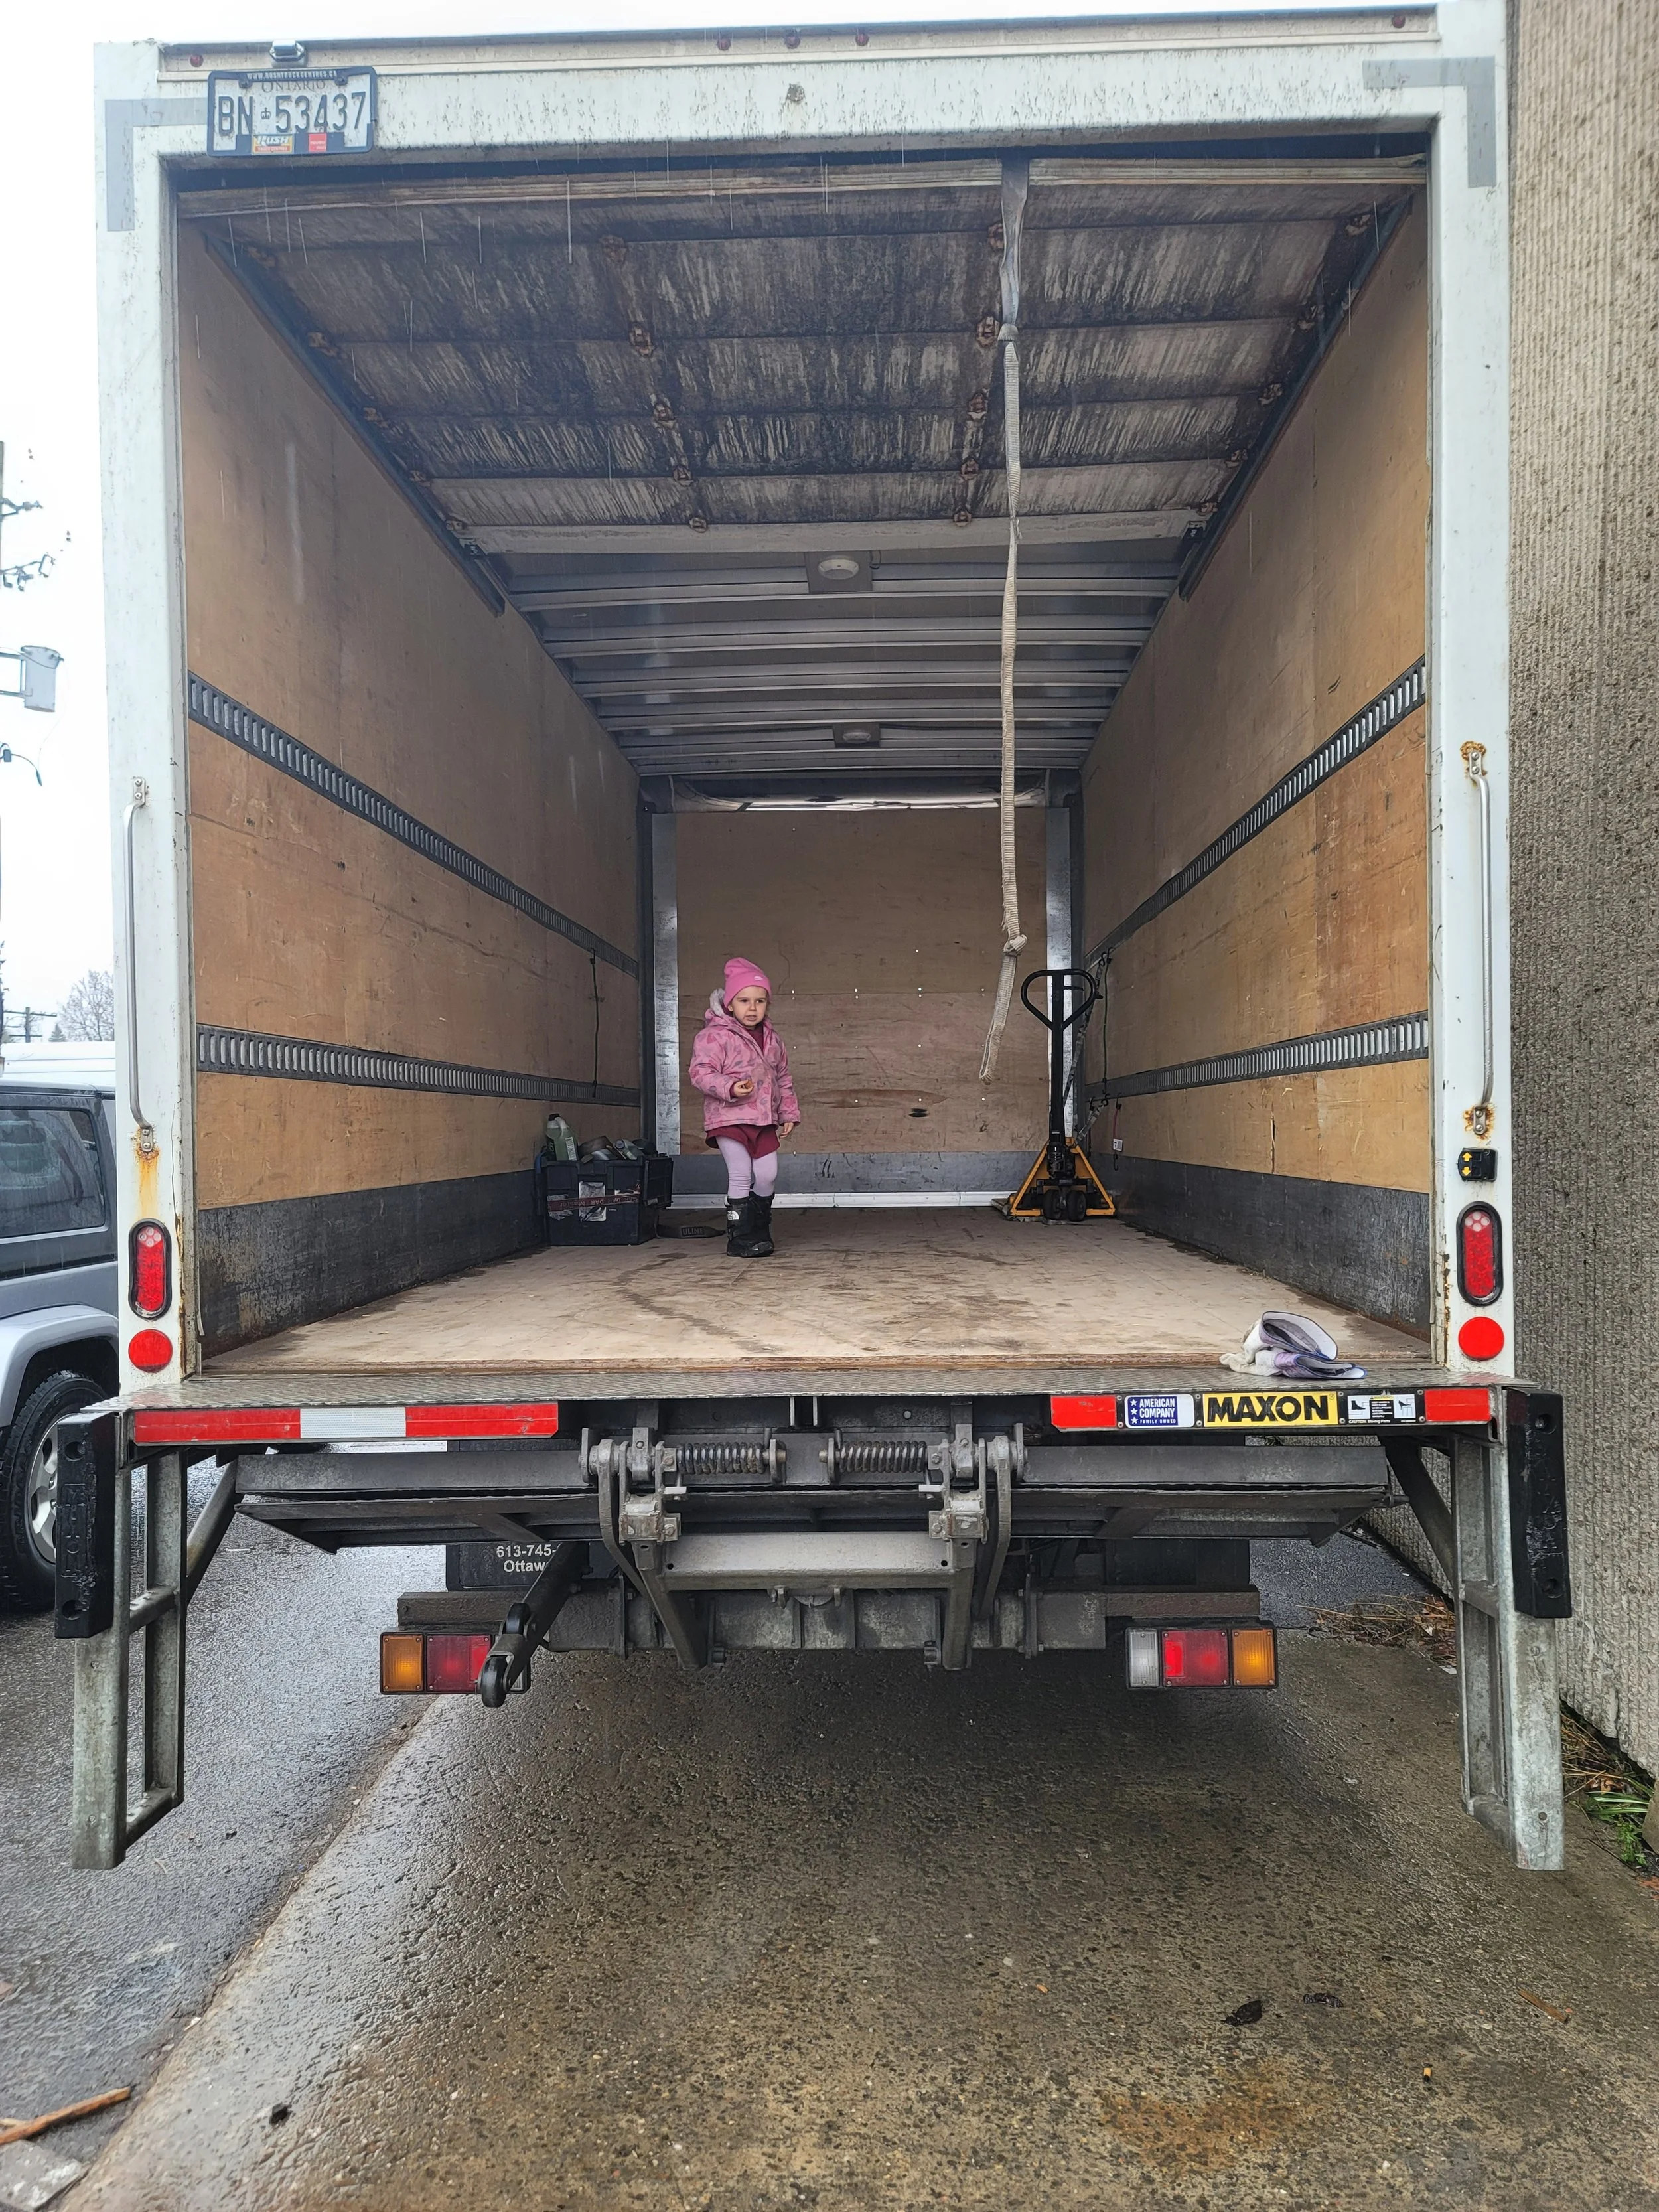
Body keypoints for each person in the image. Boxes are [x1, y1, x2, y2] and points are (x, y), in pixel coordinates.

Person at [687, 956, 800, 1258]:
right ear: (729, 1004)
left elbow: (783, 1078)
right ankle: (739, 1238)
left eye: (760, 1001)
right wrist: (730, 1087)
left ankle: (759, 1230)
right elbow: (700, 1072)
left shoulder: (773, 1040)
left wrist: (788, 1113)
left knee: (768, 1175)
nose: (752, 1008)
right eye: (744, 1001)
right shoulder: (714, 1036)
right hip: (729, 1118)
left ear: (767, 1004)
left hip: (763, 1120)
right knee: (740, 1173)